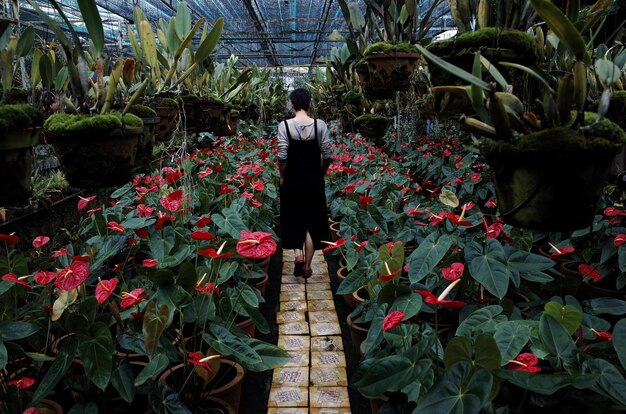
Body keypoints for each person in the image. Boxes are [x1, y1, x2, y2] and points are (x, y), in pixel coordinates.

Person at [277, 88, 332, 278]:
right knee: (311, 223)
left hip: (292, 181)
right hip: (314, 182)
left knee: (293, 219)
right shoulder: (320, 125)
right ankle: (308, 266)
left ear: (292, 105)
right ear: (310, 104)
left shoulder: (284, 126)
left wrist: (282, 176)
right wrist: (322, 173)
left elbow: (282, 157)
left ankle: (298, 255)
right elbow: (328, 155)